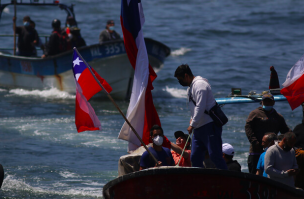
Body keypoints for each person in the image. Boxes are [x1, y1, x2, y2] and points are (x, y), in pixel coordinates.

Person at [174, 64, 227, 170]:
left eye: (180, 80)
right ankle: (198, 180)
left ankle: (229, 179)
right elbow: (194, 107)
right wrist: (192, 118)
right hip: (199, 128)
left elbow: (200, 106)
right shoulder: (191, 87)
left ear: (186, 75)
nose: (180, 83)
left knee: (215, 156)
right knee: (195, 157)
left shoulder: (200, 85)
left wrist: (192, 124)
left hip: (209, 125)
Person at [245, 93, 291, 174]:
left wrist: (294, 137)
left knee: (270, 175)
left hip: (272, 151)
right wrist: (254, 142)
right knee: (254, 175)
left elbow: (285, 131)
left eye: (269, 102)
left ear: (273, 103)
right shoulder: (255, 113)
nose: (267, 103)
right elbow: (248, 127)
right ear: (262, 102)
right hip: (256, 151)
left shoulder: (278, 117)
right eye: (265, 101)